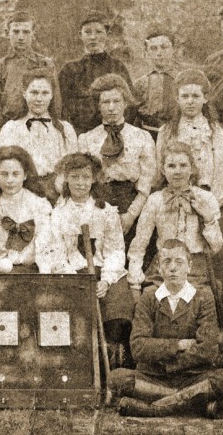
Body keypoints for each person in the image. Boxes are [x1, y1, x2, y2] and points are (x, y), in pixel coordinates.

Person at [109, 240, 223, 418]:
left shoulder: (203, 297)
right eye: (167, 262)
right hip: (153, 378)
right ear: (158, 267)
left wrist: (163, 357)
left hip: (193, 377)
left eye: (179, 262)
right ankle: (191, 404)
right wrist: (179, 344)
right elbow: (138, 347)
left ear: (189, 266)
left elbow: (208, 350)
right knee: (117, 378)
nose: (173, 268)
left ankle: (152, 408)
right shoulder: (149, 297)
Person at [51, 153, 134, 367]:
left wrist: (106, 280)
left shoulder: (105, 211)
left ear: (94, 179)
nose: (80, 182)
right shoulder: (58, 213)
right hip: (73, 274)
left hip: (104, 272)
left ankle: (115, 361)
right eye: (75, 177)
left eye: (86, 177)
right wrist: (75, 281)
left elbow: (116, 250)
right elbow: (57, 253)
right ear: (66, 179)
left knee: (119, 307)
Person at [128, 141, 223, 289]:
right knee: (152, 297)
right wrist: (134, 279)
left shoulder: (206, 198)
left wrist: (208, 219)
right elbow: (140, 242)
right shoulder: (155, 200)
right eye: (171, 166)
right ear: (163, 169)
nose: (177, 171)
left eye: (183, 165)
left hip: (195, 270)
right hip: (164, 269)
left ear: (192, 168)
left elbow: (216, 246)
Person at [77, 73, 156, 248]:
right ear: (98, 105)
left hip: (131, 205)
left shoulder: (141, 137)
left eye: (116, 101)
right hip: (97, 205)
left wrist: (131, 215)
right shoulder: (87, 139)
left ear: (125, 103)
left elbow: (146, 183)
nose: (111, 107)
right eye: (106, 102)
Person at [0, 69, 77, 202]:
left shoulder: (65, 129)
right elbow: (2, 166)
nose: (39, 99)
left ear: (52, 95)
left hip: (57, 194)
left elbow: (73, 167)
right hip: (21, 193)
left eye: (45, 93)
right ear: (24, 93)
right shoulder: (11, 128)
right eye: (34, 92)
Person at [155, 69, 223, 207]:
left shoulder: (216, 133)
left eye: (195, 96)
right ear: (177, 98)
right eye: (185, 96)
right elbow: (159, 173)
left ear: (205, 98)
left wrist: (208, 206)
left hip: (209, 204)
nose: (190, 101)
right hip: (174, 204)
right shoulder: (166, 133)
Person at [0, 146, 56, 274]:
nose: (9, 180)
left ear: (25, 175)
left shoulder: (40, 205)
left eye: (16, 174)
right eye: (4, 174)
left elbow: (45, 248)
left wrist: (44, 277)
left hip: (31, 272)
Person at [0, 11, 61, 135]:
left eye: (26, 32)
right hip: (9, 129)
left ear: (33, 34)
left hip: (42, 127)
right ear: (7, 33)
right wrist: (3, 135)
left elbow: (55, 104)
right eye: (15, 31)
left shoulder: (46, 64)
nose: (21, 37)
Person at [58, 11, 133, 135]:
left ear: (107, 34)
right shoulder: (70, 70)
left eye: (98, 32)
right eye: (88, 32)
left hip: (114, 132)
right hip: (79, 134)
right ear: (80, 35)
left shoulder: (117, 67)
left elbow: (129, 104)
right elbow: (60, 106)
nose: (93, 37)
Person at [130, 26, 182, 138]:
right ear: (147, 52)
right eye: (153, 48)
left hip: (176, 135)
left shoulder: (182, 80)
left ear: (173, 49)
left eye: (164, 47)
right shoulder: (140, 83)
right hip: (147, 136)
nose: (159, 53)